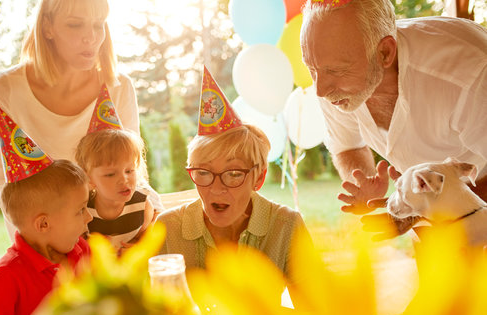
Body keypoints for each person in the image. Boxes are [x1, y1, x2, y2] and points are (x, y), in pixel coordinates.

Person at [300, 0, 487, 234]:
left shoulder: (467, 73)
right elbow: (347, 147)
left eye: (336, 71)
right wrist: (364, 182)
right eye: (311, 69)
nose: (320, 90)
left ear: (385, 53)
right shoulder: (330, 77)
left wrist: (438, 212)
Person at [0, 0, 163, 239]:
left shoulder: (118, 85)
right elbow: (5, 184)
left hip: (113, 231)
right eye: (75, 25)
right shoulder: (6, 89)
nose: (90, 37)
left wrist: (144, 229)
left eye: (98, 25)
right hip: (46, 237)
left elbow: (132, 171)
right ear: (48, 27)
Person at [157, 67, 310, 281]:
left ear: (258, 178)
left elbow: (311, 307)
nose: (217, 188)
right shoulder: (167, 228)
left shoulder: (286, 225)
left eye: (233, 174)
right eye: (203, 172)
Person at [0, 108, 92, 315]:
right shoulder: (8, 275)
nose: (88, 216)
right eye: (80, 210)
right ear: (43, 224)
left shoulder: (82, 250)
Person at [75, 128, 154, 255]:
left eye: (129, 171)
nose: (124, 179)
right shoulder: (83, 210)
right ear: (88, 177)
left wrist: (137, 246)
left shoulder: (142, 206)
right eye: (110, 174)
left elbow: (145, 237)